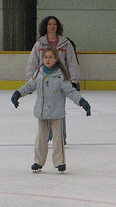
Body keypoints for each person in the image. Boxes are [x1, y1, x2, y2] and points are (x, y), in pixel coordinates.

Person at [11, 47, 91, 172]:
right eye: (45, 57)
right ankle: (38, 162)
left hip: (56, 114)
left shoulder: (60, 77)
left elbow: (71, 91)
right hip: (42, 113)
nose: (48, 59)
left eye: (50, 57)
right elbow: (29, 86)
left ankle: (60, 162)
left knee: (58, 139)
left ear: (55, 59)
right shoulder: (39, 74)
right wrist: (18, 94)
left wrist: (82, 102)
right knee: (41, 139)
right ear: (43, 59)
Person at [26, 16, 80, 145]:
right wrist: (29, 82)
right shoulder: (39, 44)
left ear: (57, 26)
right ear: (45, 26)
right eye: (49, 24)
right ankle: (46, 135)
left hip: (60, 80)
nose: (52, 26)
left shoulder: (65, 43)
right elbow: (32, 63)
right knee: (44, 108)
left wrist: (73, 80)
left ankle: (61, 136)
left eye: (54, 24)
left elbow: (72, 62)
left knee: (59, 109)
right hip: (43, 80)